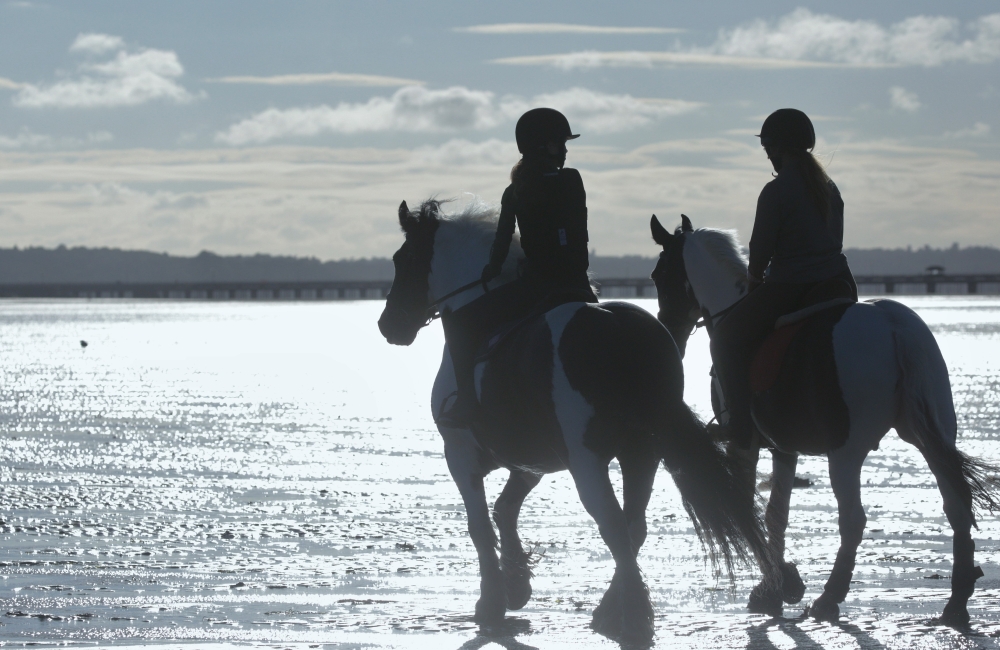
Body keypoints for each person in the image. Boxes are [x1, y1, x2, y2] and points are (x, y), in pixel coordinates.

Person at [438, 108, 598, 428]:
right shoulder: (572, 180)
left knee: (459, 325)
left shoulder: (514, 192)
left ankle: (468, 401)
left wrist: (492, 271)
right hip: (578, 283)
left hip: (537, 286)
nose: (564, 150)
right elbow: (579, 234)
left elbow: (502, 240)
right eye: (558, 144)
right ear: (541, 147)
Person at [710, 108, 858, 447]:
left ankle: (740, 426)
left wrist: (754, 281)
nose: (768, 157)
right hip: (839, 283)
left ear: (777, 148)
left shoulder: (776, 191)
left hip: (792, 285)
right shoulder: (828, 187)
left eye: (768, 150)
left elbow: (760, 250)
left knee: (724, 339)